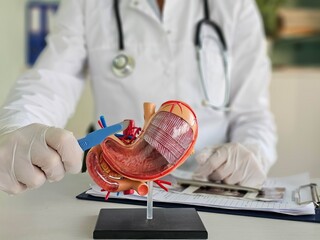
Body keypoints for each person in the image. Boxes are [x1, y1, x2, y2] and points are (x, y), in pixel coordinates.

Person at [0, 0, 277, 195]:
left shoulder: (236, 6)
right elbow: (51, 80)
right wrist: (17, 127)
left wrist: (254, 152)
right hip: (117, 183)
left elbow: (252, 113)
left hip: (209, 183)